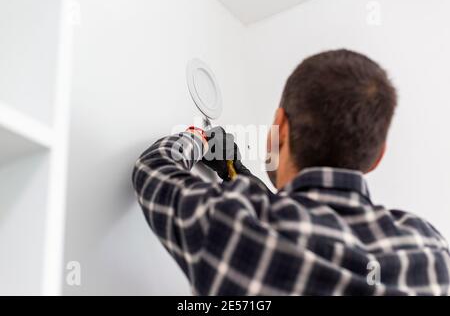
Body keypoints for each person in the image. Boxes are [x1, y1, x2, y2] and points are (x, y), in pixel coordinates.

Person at [132, 49, 450, 295]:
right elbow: (304, 233)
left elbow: (155, 167)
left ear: (280, 127)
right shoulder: (431, 251)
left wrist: (197, 140)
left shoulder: (234, 227)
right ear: (377, 158)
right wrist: (236, 173)